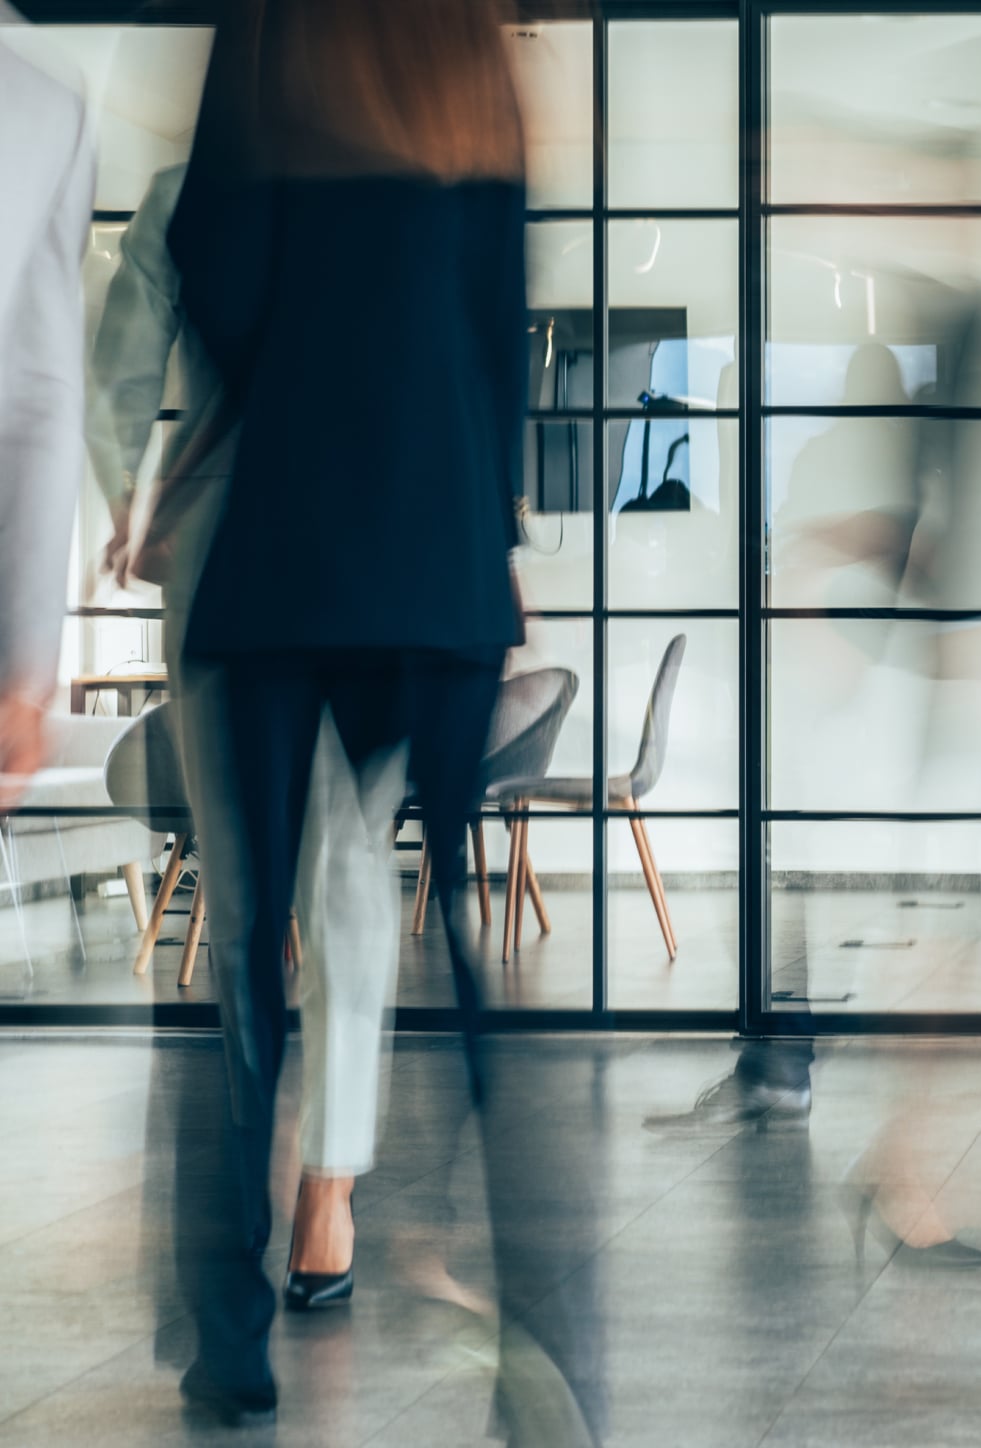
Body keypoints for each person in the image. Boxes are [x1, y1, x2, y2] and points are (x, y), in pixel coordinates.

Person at [166, 0, 603, 1433]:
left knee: (246, 968)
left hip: (288, 543)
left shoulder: (272, 31)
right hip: (439, 559)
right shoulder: (472, 51)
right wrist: (494, 539)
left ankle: (232, 1349)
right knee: (463, 954)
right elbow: (500, 320)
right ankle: (544, 1338)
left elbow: (209, 265)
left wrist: (298, 357)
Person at [88, 159, 408, 1315]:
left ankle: (327, 1177)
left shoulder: (396, 177)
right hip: (255, 555)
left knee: (342, 882)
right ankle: (282, 1171)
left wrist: (130, 496)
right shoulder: (192, 190)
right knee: (262, 893)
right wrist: (127, 496)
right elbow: (121, 362)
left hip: (359, 554)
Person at [0, 34, 93, 816]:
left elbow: (39, 400)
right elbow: (40, 399)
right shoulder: (41, 106)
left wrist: (27, 670)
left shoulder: (42, 108)